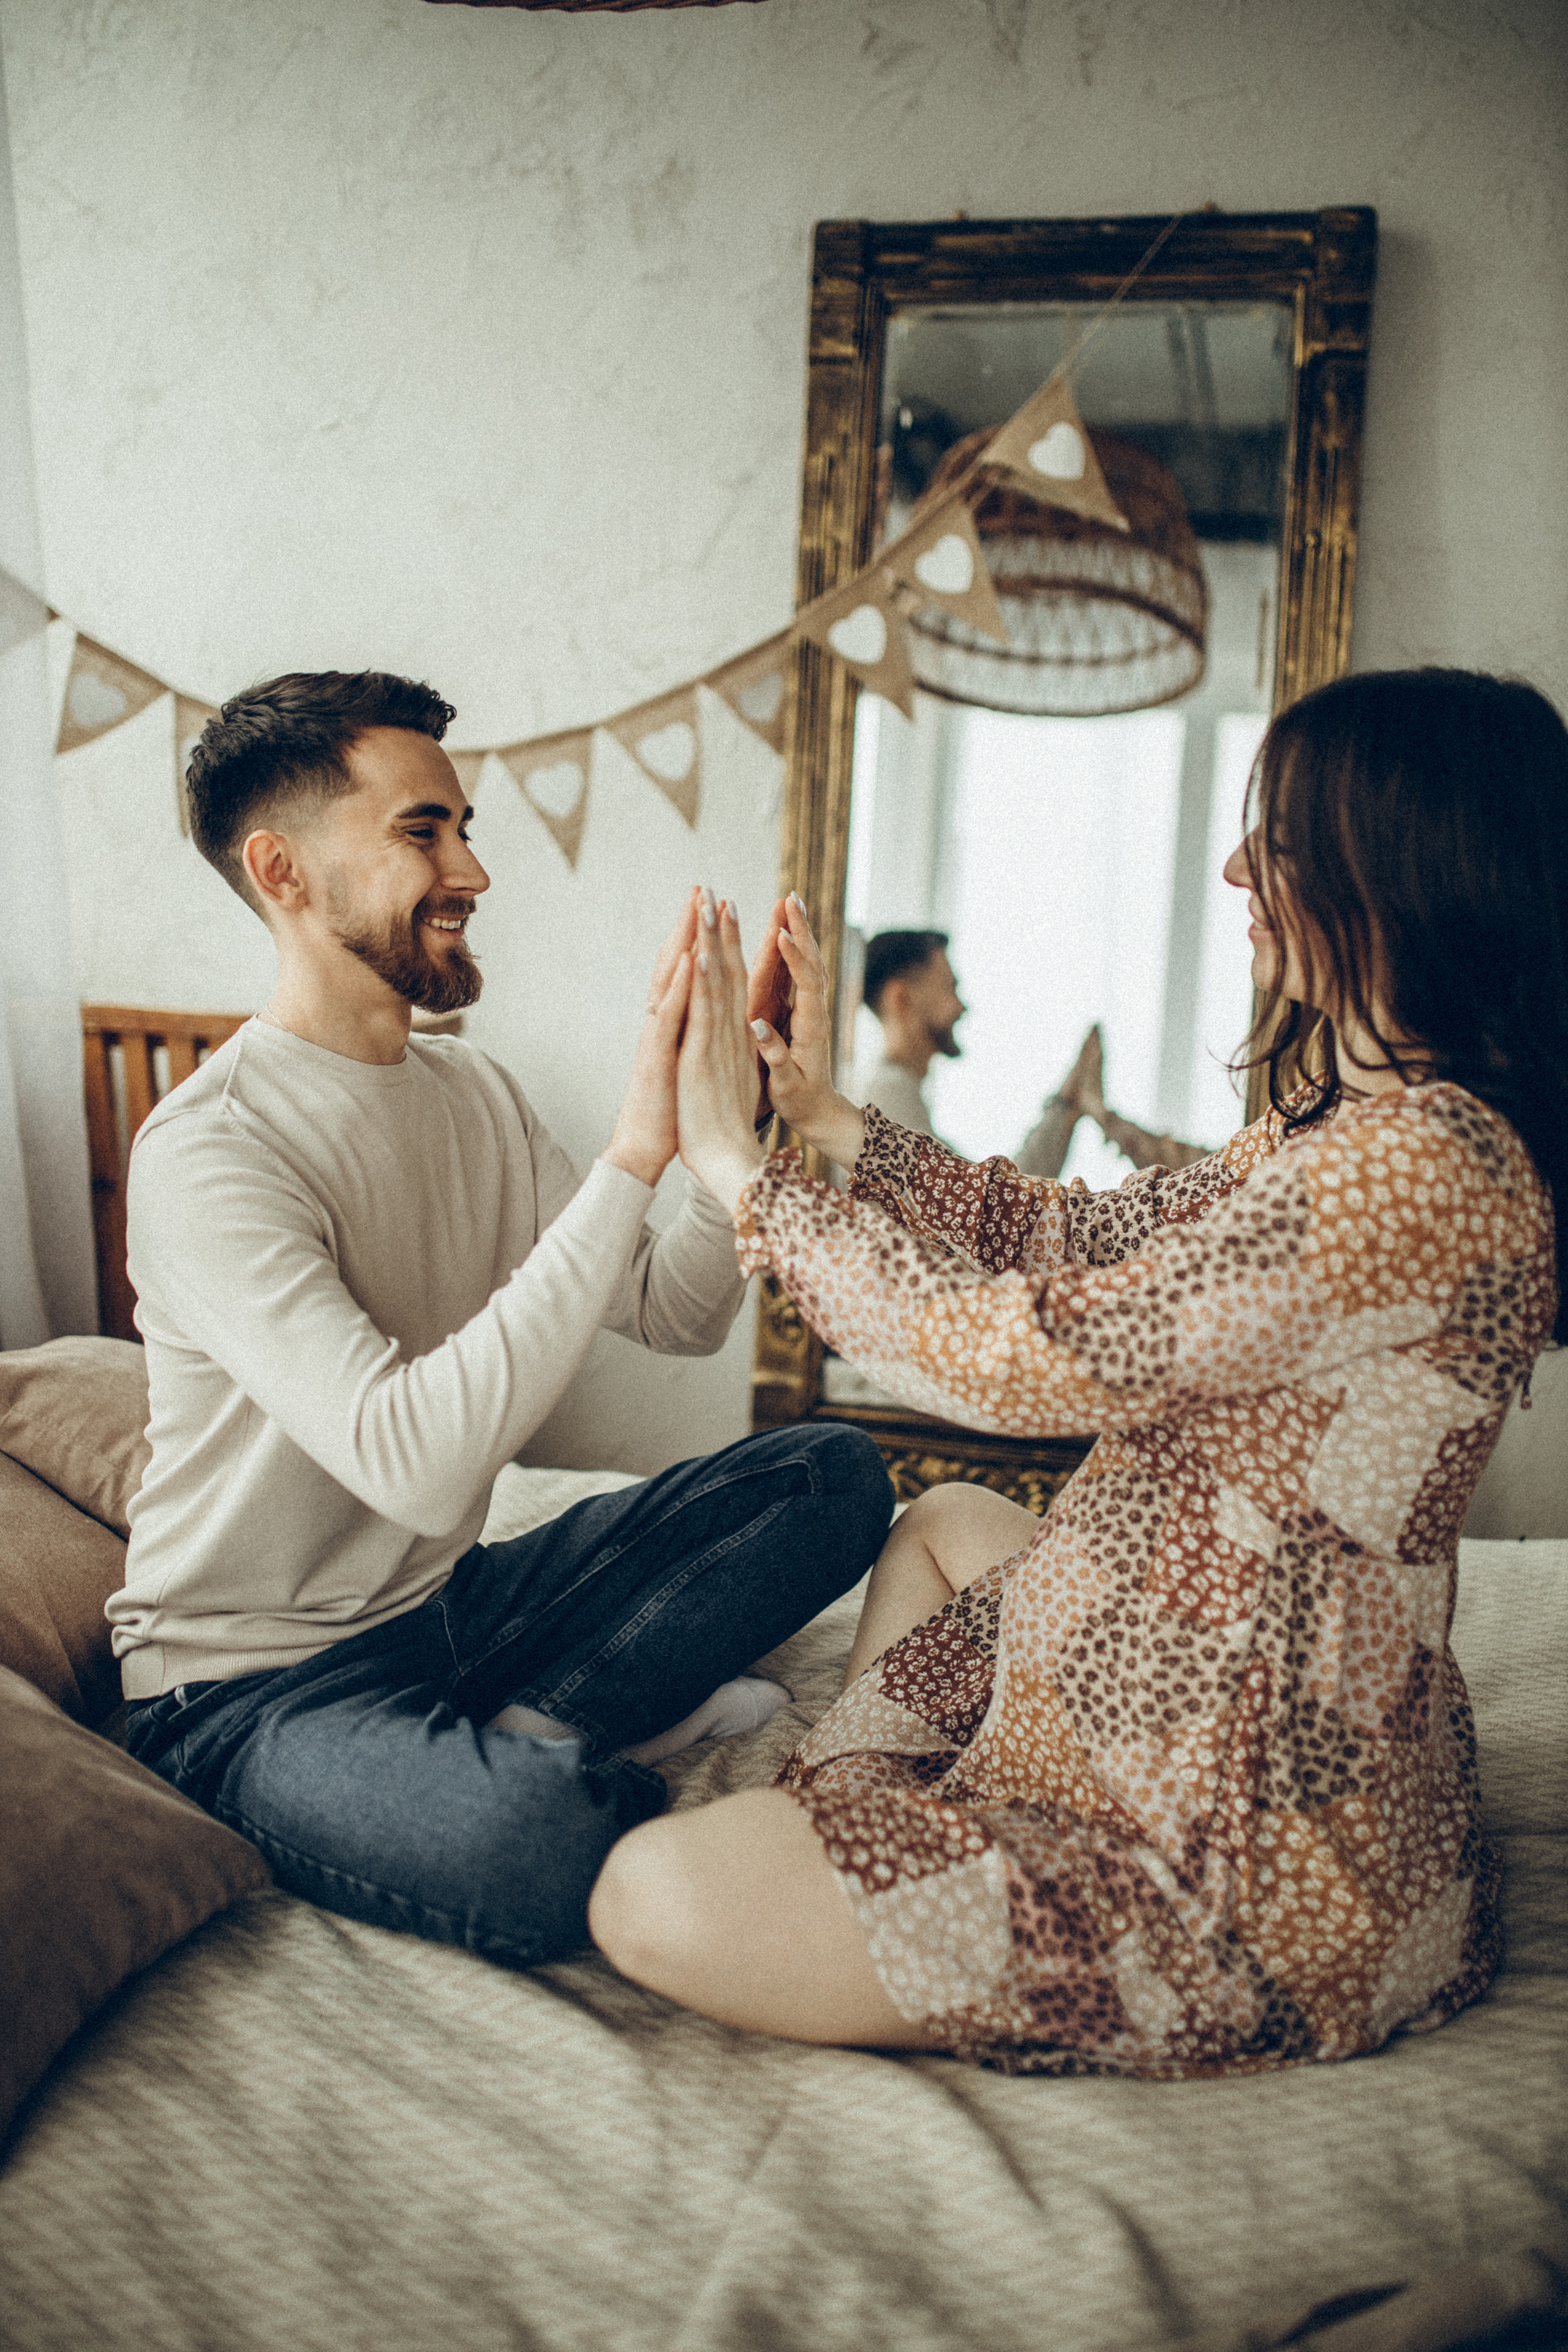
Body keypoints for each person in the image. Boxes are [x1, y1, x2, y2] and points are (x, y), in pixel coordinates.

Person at [589, 667, 1566, 2075]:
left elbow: (1029, 1359)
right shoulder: (1338, 1129)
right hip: (1161, 1645)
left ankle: (900, 1838)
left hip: (1234, 1863)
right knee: (933, 1528)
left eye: (1274, 842)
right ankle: (894, 1816)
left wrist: (746, 1176)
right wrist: (828, 1121)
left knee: (647, 1891)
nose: (1234, 867)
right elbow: (1078, 1233)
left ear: (1394, 872)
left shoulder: (1419, 1171)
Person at [118, 670, 892, 1969]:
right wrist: (630, 1158)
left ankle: (535, 1719)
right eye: (423, 832)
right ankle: (545, 1752)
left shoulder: (470, 1090)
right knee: (540, 1848)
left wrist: (728, 1125)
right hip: (249, 1694)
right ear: (282, 872)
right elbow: (414, 1461)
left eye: (464, 827)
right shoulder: (210, 1151)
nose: (470, 869)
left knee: (831, 1472)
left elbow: (678, 1310)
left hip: (449, 1611)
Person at [855, 927, 1205, 1177]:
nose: (962, 1007)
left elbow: (989, 1203)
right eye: (950, 988)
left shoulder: (895, 1092)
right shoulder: (887, 1099)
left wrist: (1066, 1104)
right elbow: (989, 1212)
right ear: (901, 998)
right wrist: (1066, 1102)